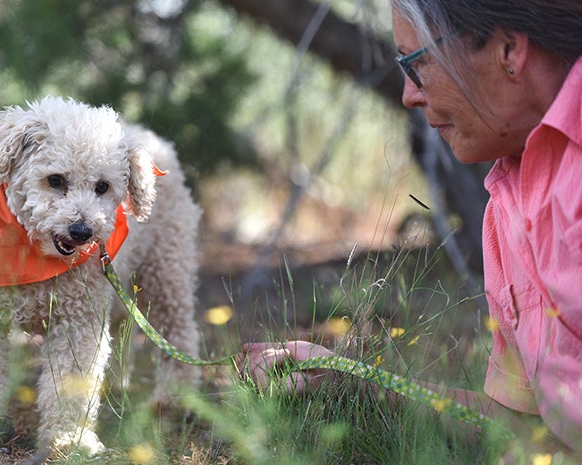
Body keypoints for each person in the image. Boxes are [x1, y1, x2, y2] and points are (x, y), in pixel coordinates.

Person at [236, 0, 582, 451]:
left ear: (510, 50)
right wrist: (353, 382)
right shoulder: (506, 205)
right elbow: (523, 432)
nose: (409, 94)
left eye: (417, 63)